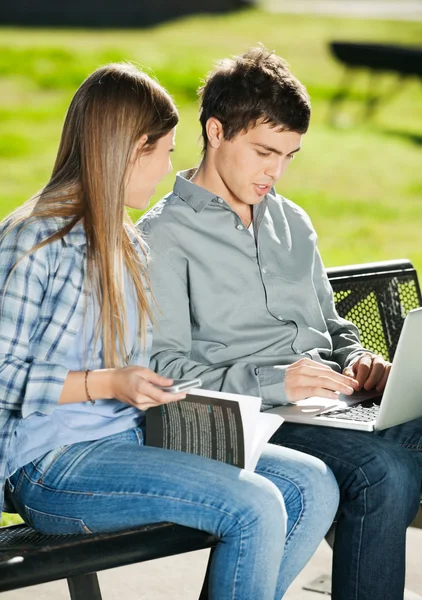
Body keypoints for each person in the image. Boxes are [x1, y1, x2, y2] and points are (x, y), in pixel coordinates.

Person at [0, 62, 339, 600]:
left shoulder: (128, 243)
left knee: (312, 484)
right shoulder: (34, 239)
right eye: (165, 153)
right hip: (55, 465)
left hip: (135, 437)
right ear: (131, 148)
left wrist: (162, 397)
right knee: (254, 504)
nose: (166, 171)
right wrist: (107, 383)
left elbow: (141, 374)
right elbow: (3, 377)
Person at [138, 47, 422, 600]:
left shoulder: (293, 221)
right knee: (384, 472)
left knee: (397, 455)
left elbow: (333, 326)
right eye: (265, 151)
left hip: (336, 408)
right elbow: (160, 369)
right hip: (255, 421)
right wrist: (276, 380)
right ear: (216, 131)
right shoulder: (163, 236)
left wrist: (359, 362)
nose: (277, 171)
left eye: (290, 155)